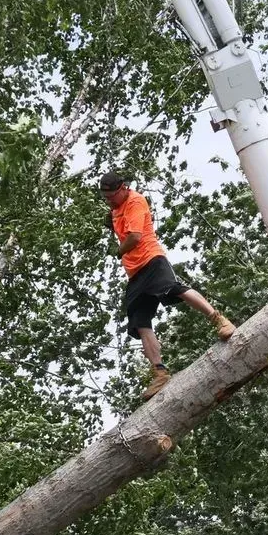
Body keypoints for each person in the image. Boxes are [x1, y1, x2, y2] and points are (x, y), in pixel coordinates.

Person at [99, 171, 235, 399]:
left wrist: (117, 251)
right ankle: (160, 373)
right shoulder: (115, 209)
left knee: (173, 288)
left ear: (123, 188)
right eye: (106, 197)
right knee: (139, 321)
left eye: (111, 196)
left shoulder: (135, 201)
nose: (109, 200)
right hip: (134, 273)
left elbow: (134, 237)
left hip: (151, 259)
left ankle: (219, 319)